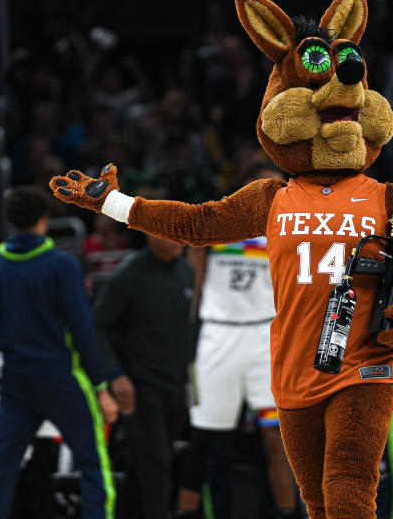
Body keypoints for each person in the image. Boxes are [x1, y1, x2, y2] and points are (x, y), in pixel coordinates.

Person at [0, 185, 119, 519]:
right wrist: (101, 386)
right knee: (92, 462)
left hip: (15, 379)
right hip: (58, 376)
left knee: (2, 468)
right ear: (44, 219)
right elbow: (82, 331)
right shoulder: (62, 265)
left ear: (10, 220)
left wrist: (6, 339)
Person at [175, 167, 298, 519]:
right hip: (218, 335)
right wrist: (186, 335)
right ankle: (185, 512)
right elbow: (193, 283)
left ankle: (288, 512)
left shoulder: (288, 231)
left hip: (265, 337)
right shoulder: (215, 223)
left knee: (278, 440)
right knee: (204, 439)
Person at [94, 233, 194, 519]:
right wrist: (116, 375)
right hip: (139, 388)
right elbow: (98, 327)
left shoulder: (185, 271)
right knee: (157, 465)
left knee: (144, 466)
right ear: (151, 234)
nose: (179, 238)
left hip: (176, 385)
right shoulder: (128, 275)